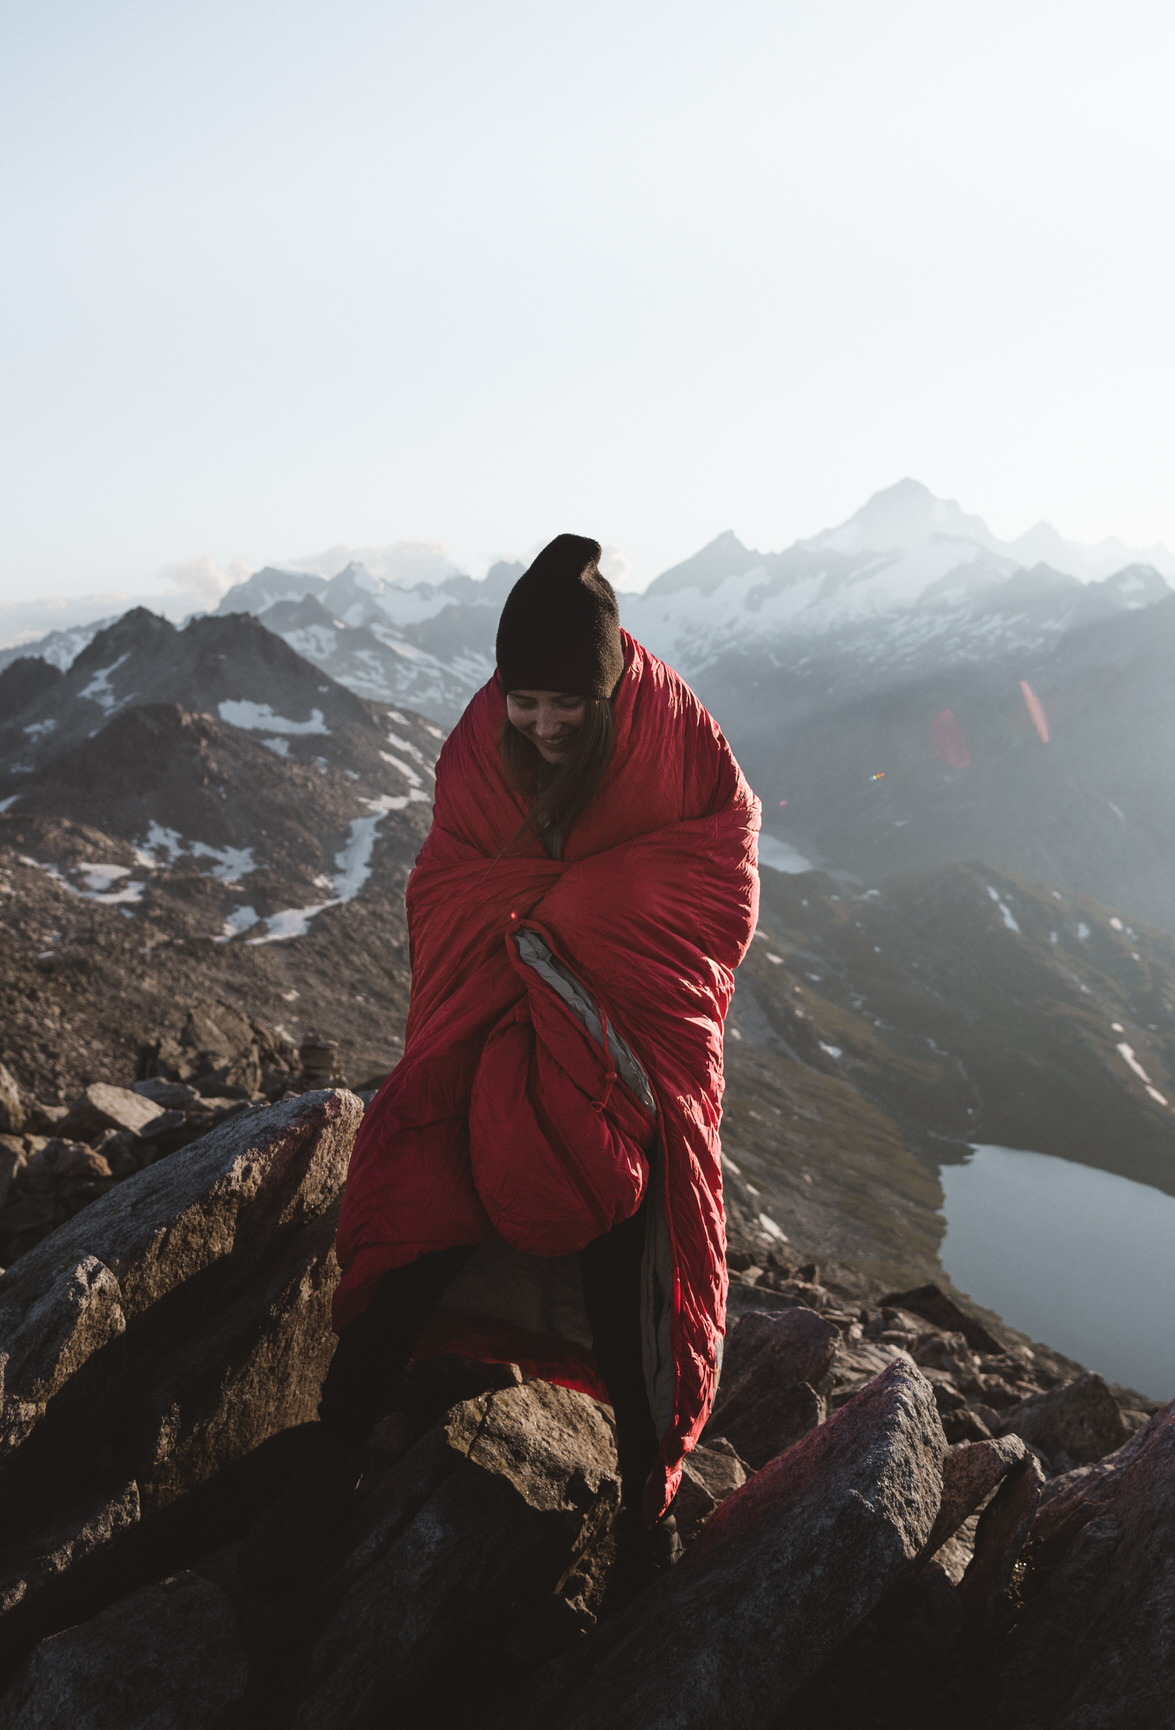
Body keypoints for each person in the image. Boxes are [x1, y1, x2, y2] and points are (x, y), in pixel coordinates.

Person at [318, 531, 760, 1588]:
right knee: (420, 1191)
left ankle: (641, 1511)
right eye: (529, 702)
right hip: (496, 1009)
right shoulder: (479, 744)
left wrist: (574, 916)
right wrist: (536, 932)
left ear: (610, 689)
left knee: (627, 1236)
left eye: (571, 704)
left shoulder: (675, 738)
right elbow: (451, 879)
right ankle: (332, 1457)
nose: (547, 725)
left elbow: (717, 870)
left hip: (627, 1037)